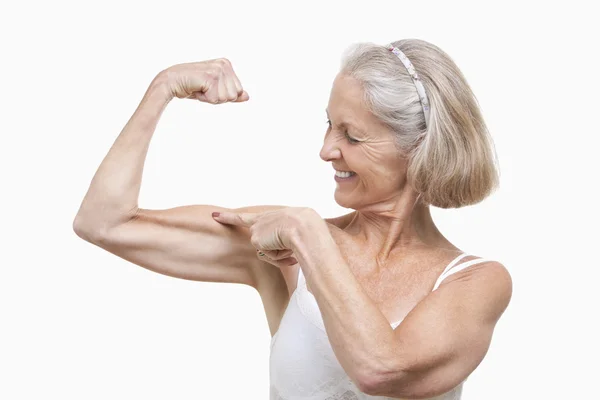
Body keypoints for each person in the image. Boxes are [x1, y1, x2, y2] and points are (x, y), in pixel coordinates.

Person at [73, 38, 512, 400]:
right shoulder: (283, 241)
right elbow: (103, 223)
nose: (326, 150)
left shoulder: (475, 282)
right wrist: (162, 88)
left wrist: (310, 234)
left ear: (418, 149)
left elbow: (383, 370)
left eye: (352, 135)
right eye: (329, 125)